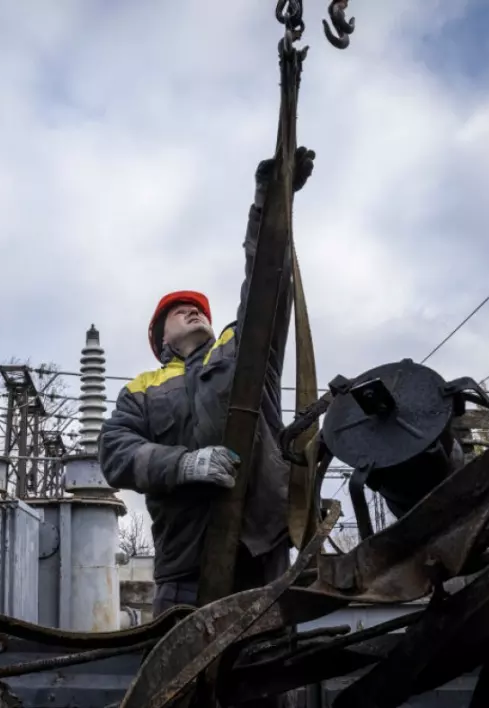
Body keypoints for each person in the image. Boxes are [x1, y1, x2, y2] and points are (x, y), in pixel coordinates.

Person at [99, 147, 315, 617]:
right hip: (184, 569)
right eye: (179, 309)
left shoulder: (242, 350)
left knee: (266, 682)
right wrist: (184, 465)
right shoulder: (143, 388)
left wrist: (271, 203)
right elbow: (115, 452)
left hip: (259, 552)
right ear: (160, 338)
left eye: (198, 306)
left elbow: (265, 284)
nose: (193, 308)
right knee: (182, 685)